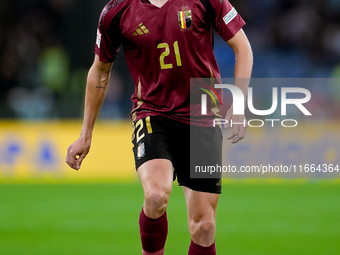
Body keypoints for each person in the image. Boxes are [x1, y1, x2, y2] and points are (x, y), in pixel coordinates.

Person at [66, 0, 253, 254]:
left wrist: (239, 105)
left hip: (203, 116)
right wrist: (85, 135)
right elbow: (100, 71)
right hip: (152, 114)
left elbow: (243, 47)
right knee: (155, 195)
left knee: (204, 228)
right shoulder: (116, 11)